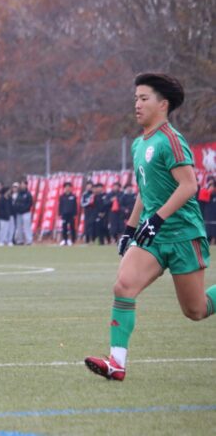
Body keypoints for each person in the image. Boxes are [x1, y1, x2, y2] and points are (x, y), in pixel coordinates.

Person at [85, 73, 215, 381]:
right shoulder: (138, 144)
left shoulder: (171, 139)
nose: (137, 104)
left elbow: (189, 186)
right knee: (123, 286)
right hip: (152, 236)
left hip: (183, 235)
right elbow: (146, 192)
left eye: (144, 99)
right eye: (136, 99)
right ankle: (116, 363)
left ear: (163, 104)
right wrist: (130, 229)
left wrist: (157, 219)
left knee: (195, 310)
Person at [13, 180, 33, 245]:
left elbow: (30, 203)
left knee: (27, 227)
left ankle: (29, 240)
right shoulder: (19, 194)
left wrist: (24, 208)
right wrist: (17, 208)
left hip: (26, 213)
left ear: (26, 185)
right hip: (19, 213)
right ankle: (20, 240)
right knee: (19, 227)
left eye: (23, 184)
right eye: (21, 184)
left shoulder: (28, 194)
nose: (22, 185)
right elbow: (16, 202)